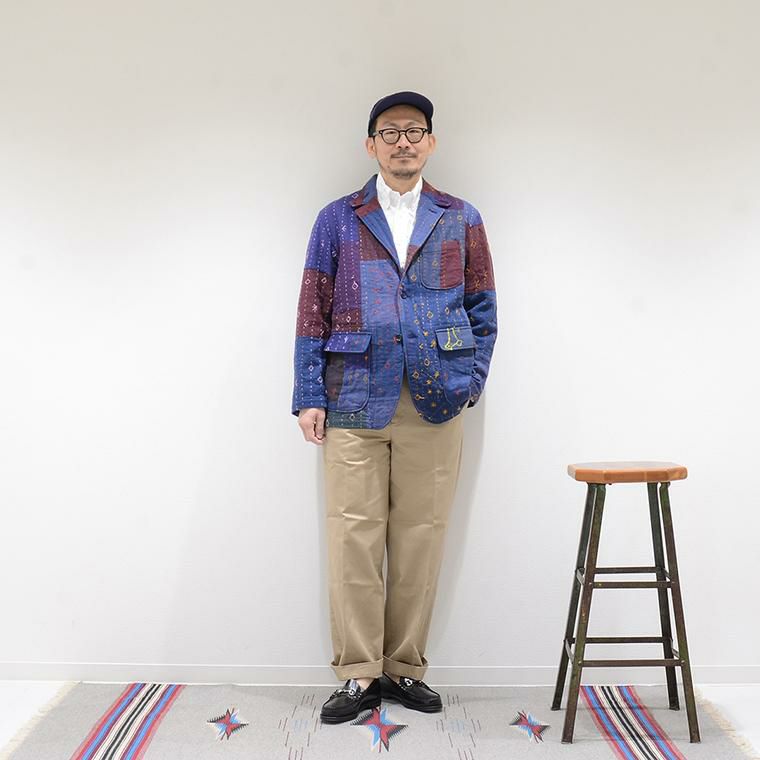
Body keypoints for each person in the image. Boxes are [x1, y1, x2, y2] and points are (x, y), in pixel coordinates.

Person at [291, 91, 497, 724]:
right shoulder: (337, 218)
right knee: (352, 536)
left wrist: (470, 382)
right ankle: (359, 673)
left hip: (436, 399)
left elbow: (483, 308)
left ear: (430, 142)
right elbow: (312, 306)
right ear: (371, 144)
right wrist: (308, 394)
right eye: (390, 132)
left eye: (414, 131)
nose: (402, 142)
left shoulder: (460, 217)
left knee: (421, 536)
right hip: (353, 395)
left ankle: (404, 668)